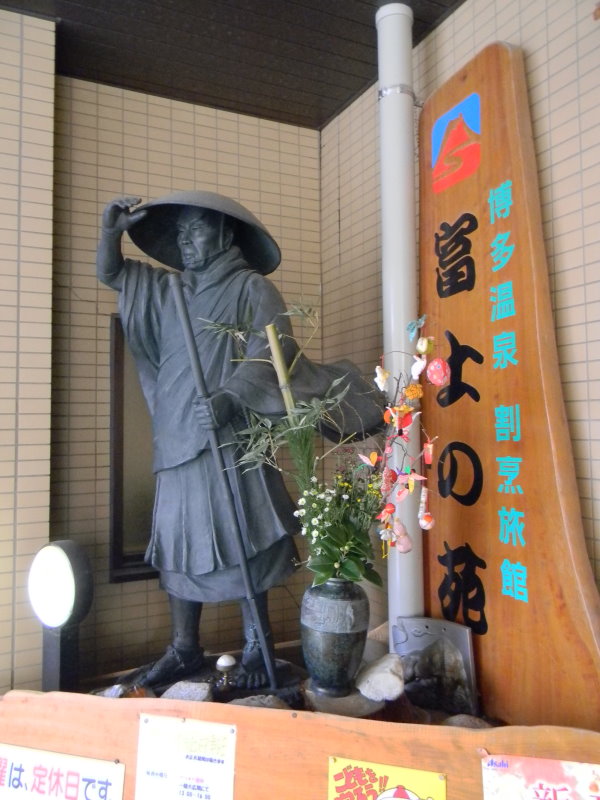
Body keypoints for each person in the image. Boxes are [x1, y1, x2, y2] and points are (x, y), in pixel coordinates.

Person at [97, 190, 383, 689]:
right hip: (177, 432)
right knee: (180, 542)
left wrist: (231, 396)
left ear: (226, 232)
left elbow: (273, 352)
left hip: (231, 436)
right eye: (179, 232)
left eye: (196, 229)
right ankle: (183, 647)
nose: (185, 240)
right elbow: (113, 274)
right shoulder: (168, 290)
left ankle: (257, 644)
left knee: (244, 535)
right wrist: (110, 233)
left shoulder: (252, 289)